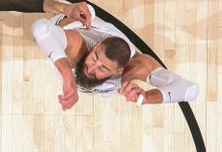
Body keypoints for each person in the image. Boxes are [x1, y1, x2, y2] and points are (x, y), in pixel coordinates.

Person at [31, 6, 199, 110]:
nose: (91, 68)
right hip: (63, 29)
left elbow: (189, 90)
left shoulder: (137, 66)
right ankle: (73, 12)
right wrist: (67, 77)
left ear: (119, 71)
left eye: (102, 68)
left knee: (105, 87)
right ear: (96, 47)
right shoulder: (79, 47)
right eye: (94, 58)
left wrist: (146, 98)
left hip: (108, 74)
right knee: (40, 40)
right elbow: (40, 29)